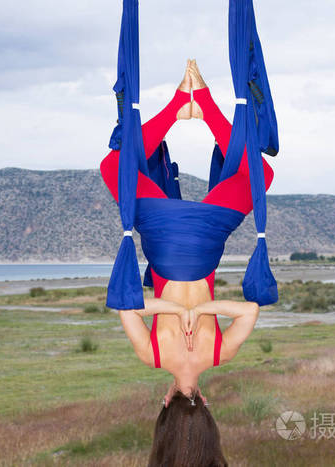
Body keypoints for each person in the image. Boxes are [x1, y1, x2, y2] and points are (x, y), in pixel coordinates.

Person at [100, 60, 274, 402]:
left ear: (204, 400)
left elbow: (249, 310)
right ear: (167, 401)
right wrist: (178, 310)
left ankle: (204, 106)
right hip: (163, 241)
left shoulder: (219, 355)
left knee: (259, 176)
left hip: (205, 241)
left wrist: (199, 310)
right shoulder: (153, 357)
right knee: (114, 167)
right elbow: (127, 308)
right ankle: (179, 107)